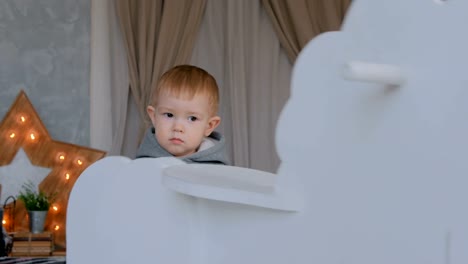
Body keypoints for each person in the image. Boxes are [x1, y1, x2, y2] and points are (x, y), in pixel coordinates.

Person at [136, 65, 230, 165]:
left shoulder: (218, 172)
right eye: (169, 115)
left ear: (209, 126)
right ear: (154, 117)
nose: (177, 127)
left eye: (192, 118)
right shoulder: (140, 166)